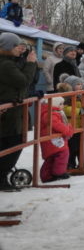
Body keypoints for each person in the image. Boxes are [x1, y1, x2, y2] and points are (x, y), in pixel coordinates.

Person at [0, 33, 30, 190]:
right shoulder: (5, 64)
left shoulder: (9, 63)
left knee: (10, 142)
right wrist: (31, 64)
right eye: (16, 46)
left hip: (10, 109)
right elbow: (23, 81)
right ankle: (1, 176)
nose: (20, 48)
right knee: (12, 143)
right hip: (8, 111)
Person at [39, 96, 72, 182]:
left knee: (51, 158)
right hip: (52, 140)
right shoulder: (51, 114)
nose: (63, 106)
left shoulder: (53, 112)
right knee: (63, 153)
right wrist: (68, 130)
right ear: (54, 105)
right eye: (60, 104)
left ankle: (46, 176)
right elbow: (58, 125)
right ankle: (59, 172)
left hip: (52, 140)